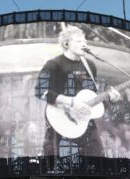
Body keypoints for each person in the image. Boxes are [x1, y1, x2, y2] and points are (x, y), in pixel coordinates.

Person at [36, 25, 120, 159]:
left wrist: (109, 99)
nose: (84, 44)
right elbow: (40, 91)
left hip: (86, 126)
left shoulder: (90, 65)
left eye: (85, 41)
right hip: (61, 125)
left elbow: (91, 98)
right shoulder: (53, 64)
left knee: (96, 166)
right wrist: (71, 102)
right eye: (79, 41)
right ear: (66, 44)